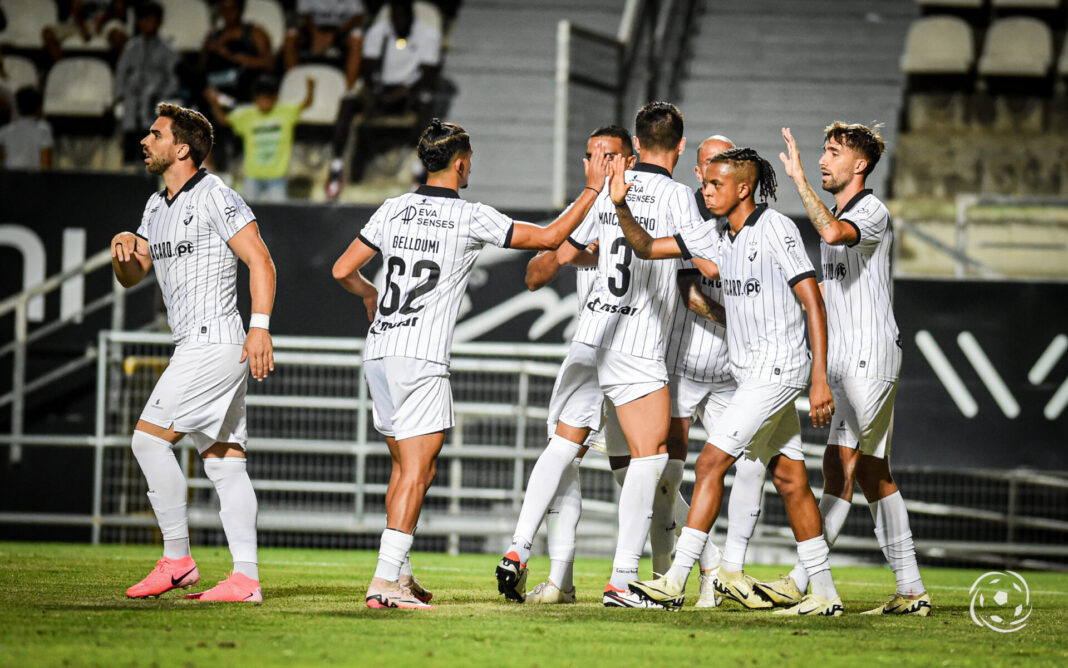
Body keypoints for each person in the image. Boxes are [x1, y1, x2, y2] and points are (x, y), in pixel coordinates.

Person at [331, 118, 610, 609]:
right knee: (418, 471)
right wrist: (591, 190)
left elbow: (341, 269)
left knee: (405, 470)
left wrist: (369, 291)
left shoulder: (393, 209)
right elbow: (549, 238)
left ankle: (400, 571)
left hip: (378, 351)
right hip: (420, 358)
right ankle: (382, 581)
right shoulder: (468, 216)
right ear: (460, 164)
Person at [618, 146, 844, 616]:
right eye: (705, 182)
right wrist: (620, 204)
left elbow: (813, 302)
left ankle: (676, 579)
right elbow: (645, 247)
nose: (706, 188)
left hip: (777, 371)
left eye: (715, 183)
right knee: (791, 480)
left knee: (709, 464)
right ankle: (825, 592)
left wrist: (819, 376)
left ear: (743, 188)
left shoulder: (776, 228)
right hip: (752, 375)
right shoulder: (716, 235)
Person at [498, 102, 697, 608]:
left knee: (564, 447)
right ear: (678, 147)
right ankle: (623, 580)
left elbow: (554, 261)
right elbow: (695, 265)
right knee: (649, 460)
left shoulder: (606, 196)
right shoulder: (678, 197)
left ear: (633, 146)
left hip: (589, 335)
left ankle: (520, 547)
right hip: (637, 343)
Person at [752, 124, 931, 616]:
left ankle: (800, 579)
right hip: (848, 362)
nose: (823, 160)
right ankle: (912, 590)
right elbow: (830, 294)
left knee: (840, 469)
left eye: (833, 153)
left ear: (861, 165)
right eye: (822, 152)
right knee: (874, 474)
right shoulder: (838, 214)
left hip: (869, 359)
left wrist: (798, 181)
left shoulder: (869, 210)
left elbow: (831, 233)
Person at [111, 103, 276, 603]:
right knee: (225, 460)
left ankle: (178, 560)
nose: (145, 140)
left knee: (147, 441)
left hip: (215, 340)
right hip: (196, 342)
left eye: (155, 134)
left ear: (181, 148)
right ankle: (245, 579)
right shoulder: (155, 206)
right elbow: (133, 274)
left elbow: (261, 261)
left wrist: (260, 328)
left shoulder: (216, 195)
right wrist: (122, 252)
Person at [325, 0, 441, 198]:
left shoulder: (428, 34)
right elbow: (368, 70)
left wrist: (401, 94)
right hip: (382, 90)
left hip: (409, 91)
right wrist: (374, 95)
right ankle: (336, 167)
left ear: (412, 16)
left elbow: (428, 76)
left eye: (403, 16)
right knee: (348, 102)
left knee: (426, 106)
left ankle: (420, 171)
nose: (399, 22)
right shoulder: (378, 33)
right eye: (395, 17)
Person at [206, 74, 316, 202]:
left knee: (278, 211)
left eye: (267, 99)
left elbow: (306, 104)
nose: (264, 103)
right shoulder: (246, 115)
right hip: (253, 175)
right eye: (261, 99)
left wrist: (311, 88)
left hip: (277, 176)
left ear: (275, 98)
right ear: (255, 99)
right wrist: (215, 104)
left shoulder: (285, 112)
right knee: (247, 212)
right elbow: (223, 120)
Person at [114, 1, 177, 165]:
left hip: (153, 107)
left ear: (159, 22)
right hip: (132, 107)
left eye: (150, 19)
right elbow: (120, 74)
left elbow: (174, 80)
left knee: (150, 154)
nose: (145, 24)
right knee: (130, 151)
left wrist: (161, 96)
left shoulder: (167, 50)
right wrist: (122, 94)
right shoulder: (131, 47)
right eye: (142, 20)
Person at [199, 0, 274, 106]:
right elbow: (202, 68)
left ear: (240, 10)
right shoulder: (213, 37)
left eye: (232, 9)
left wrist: (230, 56)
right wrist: (207, 52)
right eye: (224, 9)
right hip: (217, 88)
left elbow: (268, 63)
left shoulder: (255, 33)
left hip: (244, 89)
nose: (228, 13)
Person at [284, 0, 367, 89]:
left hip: (342, 29)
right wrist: (315, 33)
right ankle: (293, 84)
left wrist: (335, 33)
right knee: (291, 37)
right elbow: (304, 15)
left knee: (356, 39)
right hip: (314, 28)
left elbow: (358, 17)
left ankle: (348, 88)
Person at [43, 0, 130, 62]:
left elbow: (120, 11)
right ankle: (65, 68)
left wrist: (104, 19)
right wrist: (83, 29)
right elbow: (76, 9)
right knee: (48, 34)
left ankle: (124, 72)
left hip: (107, 22)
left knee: (118, 37)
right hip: (81, 23)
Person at [0, 87, 53, 170]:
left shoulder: (5, 131)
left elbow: (4, 158)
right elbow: (45, 161)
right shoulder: (43, 129)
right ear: (38, 108)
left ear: (17, 107)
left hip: (10, 179)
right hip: (33, 180)